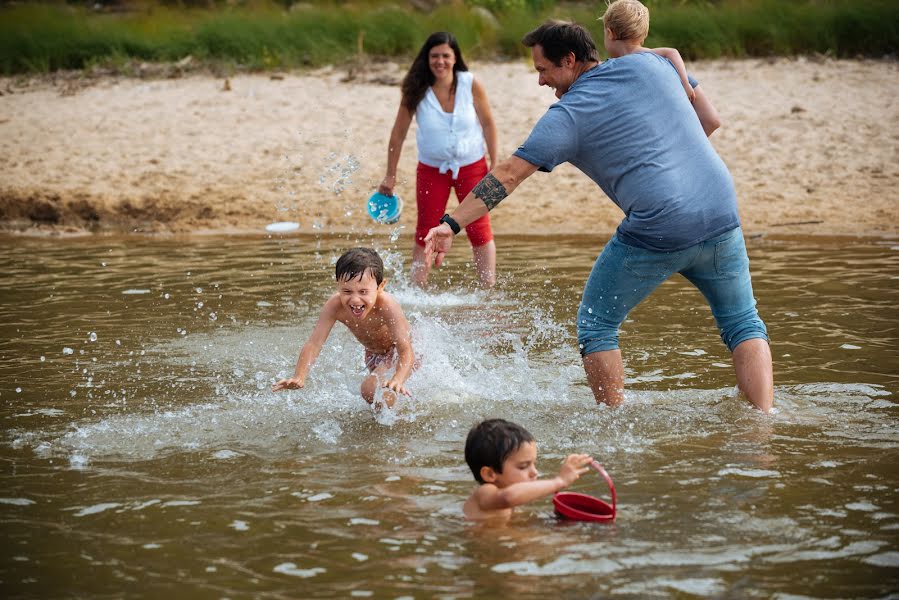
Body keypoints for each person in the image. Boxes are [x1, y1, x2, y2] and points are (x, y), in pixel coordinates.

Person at [424, 21, 774, 413]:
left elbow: (508, 175)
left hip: (659, 226)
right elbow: (707, 118)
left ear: (570, 60)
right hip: (720, 207)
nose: (541, 82)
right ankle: (763, 423)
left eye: (543, 70)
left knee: (596, 325)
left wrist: (451, 223)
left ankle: (613, 422)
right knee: (743, 322)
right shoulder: (651, 66)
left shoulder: (568, 116)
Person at [378, 31, 499, 288]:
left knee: (479, 228)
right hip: (432, 169)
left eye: (446, 55)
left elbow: (488, 124)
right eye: (435, 56)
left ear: (455, 58)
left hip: (473, 166)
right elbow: (398, 134)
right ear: (427, 58)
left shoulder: (470, 83)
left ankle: (488, 289)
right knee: (426, 229)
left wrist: (495, 164)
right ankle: (417, 290)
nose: (440, 61)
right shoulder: (415, 88)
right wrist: (390, 175)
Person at [271, 248, 414, 408]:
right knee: (375, 400)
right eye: (346, 291)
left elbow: (405, 349)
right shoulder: (334, 306)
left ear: (381, 286)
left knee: (370, 390)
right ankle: (389, 422)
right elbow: (314, 343)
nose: (355, 299)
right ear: (337, 286)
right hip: (374, 354)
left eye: (363, 291)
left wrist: (398, 378)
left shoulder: (387, 305)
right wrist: (299, 376)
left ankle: (398, 420)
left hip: (404, 352)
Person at [463, 418, 593, 521]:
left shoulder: (508, 498)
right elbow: (508, 497)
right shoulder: (485, 493)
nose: (534, 472)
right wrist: (559, 481)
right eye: (523, 466)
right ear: (490, 474)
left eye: (534, 464)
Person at [602, 0, 696, 105]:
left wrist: (685, 83)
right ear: (643, 35)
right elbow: (672, 52)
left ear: (610, 33)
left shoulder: (638, 55)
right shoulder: (646, 54)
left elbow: (672, 52)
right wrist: (685, 83)